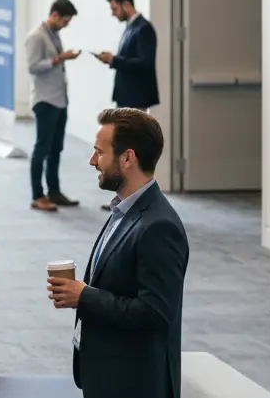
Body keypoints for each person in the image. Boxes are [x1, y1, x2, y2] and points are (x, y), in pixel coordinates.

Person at [48, 108, 189, 398]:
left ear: (127, 158)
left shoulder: (159, 226)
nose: (92, 160)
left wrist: (84, 296)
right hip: (108, 377)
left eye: (99, 152)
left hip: (134, 384)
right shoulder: (124, 210)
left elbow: (155, 312)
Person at [95, 0, 158, 208]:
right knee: (125, 150)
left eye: (114, 8)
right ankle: (125, 197)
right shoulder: (131, 27)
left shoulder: (143, 29)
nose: (113, 13)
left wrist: (115, 60)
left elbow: (144, 64)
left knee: (132, 151)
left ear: (126, 4)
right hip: (127, 97)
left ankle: (132, 197)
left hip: (136, 97)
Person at [26, 0, 81, 212]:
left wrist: (61, 58)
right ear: (55, 15)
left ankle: (54, 191)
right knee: (42, 147)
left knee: (56, 148)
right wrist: (58, 59)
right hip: (45, 99)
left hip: (59, 99)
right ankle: (37, 195)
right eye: (65, 21)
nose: (65, 25)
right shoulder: (36, 36)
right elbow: (32, 67)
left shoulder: (54, 34)